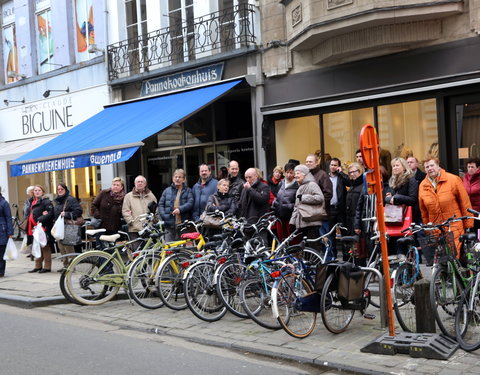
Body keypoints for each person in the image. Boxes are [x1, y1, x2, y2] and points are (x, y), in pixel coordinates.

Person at [418, 156, 473, 260]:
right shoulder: (422, 186)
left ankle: (457, 275)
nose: (430, 168)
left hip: (454, 225)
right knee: (441, 258)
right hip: (436, 227)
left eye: (432, 165)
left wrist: (468, 223)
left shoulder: (453, 179)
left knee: (454, 256)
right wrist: (427, 228)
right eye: (427, 167)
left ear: (438, 166)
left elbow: (465, 203)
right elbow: (424, 211)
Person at [384, 158, 419, 256]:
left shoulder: (410, 179)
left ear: (404, 167)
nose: (395, 168)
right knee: (393, 245)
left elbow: (413, 199)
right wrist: (389, 199)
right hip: (393, 218)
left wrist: (396, 198)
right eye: (393, 166)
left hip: (407, 217)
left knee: (404, 245)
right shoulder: (392, 181)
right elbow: (386, 197)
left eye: (397, 165)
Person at [289, 164, 326, 255]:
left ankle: (317, 266)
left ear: (305, 174)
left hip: (311, 222)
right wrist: (292, 222)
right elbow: (297, 207)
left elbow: (320, 198)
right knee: (306, 249)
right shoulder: (301, 186)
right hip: (303, 222)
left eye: (298, 173)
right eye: (295, 173)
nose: (295, 175)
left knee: (314, 247)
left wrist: (304, 197)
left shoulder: (312, 184)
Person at [158, 169, 194, 242]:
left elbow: (190, 203)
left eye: (180, 177)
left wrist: (180, 209)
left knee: (182, 250)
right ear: (173, 178)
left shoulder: (188, 191)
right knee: (169, 248)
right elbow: (160, 204)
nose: (177, 179)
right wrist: (164, 216)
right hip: (169, 225)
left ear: (183, 179)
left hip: (183, 225)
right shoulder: (166, 191)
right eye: (176, 177)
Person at [53, 183, 83, 271]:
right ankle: (65, 265)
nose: (60, 191)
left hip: (68, 226)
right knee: (61, 246)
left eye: (61, 189)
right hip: (60, 227)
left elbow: (78, 211)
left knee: (68, 246)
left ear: (65, 190)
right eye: (58, 189)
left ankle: (71, 266)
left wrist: (66, 214)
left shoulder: (70, 199)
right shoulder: (57, 201)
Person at [27, 185, 54, 273]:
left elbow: (50, 213)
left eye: (39, 190)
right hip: (35, 228)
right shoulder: (33, 201)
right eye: (35, 190)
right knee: (37, 246)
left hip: (43, 227)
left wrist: (40, 219)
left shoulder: (46, 201)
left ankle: (47, 267)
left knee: (45, 246)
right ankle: (38, 266)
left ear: (43, 192)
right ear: (33, 192)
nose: (37, 192)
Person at [122, 175, 157, 243]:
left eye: (142, 182)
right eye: (138, 182)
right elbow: (125, 211)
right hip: (134, 230)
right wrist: (131, 222)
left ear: (145, 184)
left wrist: (155, 221)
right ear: (135, 184)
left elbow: (156, 210)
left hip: (148, 228)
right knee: (136, 251)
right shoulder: (128, 196)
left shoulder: (151, 196)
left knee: (148, 251)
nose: (140, 183)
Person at [91, 177, 126, 244]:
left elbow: (123, 211)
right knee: (101, 247)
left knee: (112, 247)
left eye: (117, 185)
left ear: (122, 187)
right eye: (114, 184)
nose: (115, 186)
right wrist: (98, 215)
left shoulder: (124, 197)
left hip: (114, 226)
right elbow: (94, 205)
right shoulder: (104, 193)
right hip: (101, 225)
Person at [305, 153, 333, 236]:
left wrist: (317, 206)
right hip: (309, 215)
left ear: (317, 163)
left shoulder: (322, 175)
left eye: (310, 161)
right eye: (306, 162)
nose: (308, 163)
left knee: (325, 239)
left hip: (321, 215)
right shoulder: (306, 175)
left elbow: (328, 194)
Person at [328, 157, 348, 259]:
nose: (333, 167)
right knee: (331, 235)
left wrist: (342, 173)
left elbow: (349, 182)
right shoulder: (326, 178)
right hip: (330, 209)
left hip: (340, 209)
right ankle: (333, 256)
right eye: (332, 165)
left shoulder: (341, 177)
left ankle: (346, 256)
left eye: (335, 165)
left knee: (344, 232)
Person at [272, 162, 298, 241]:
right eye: (287, 172)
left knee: (292, 239)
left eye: (291, 173)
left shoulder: (297, 184)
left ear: (294, 173)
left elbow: (298, 202)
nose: (289, 175)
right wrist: (275, 205)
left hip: (291, 217)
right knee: (281, 238)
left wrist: (290, 206)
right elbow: (277, 197)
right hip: (279, 216)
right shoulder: (281, 183)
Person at [0, 186, 14, 277]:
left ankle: (1, 272)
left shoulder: (4, 203)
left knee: (1, 252)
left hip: (2, 230)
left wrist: (10, 232)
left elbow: (9, 218)